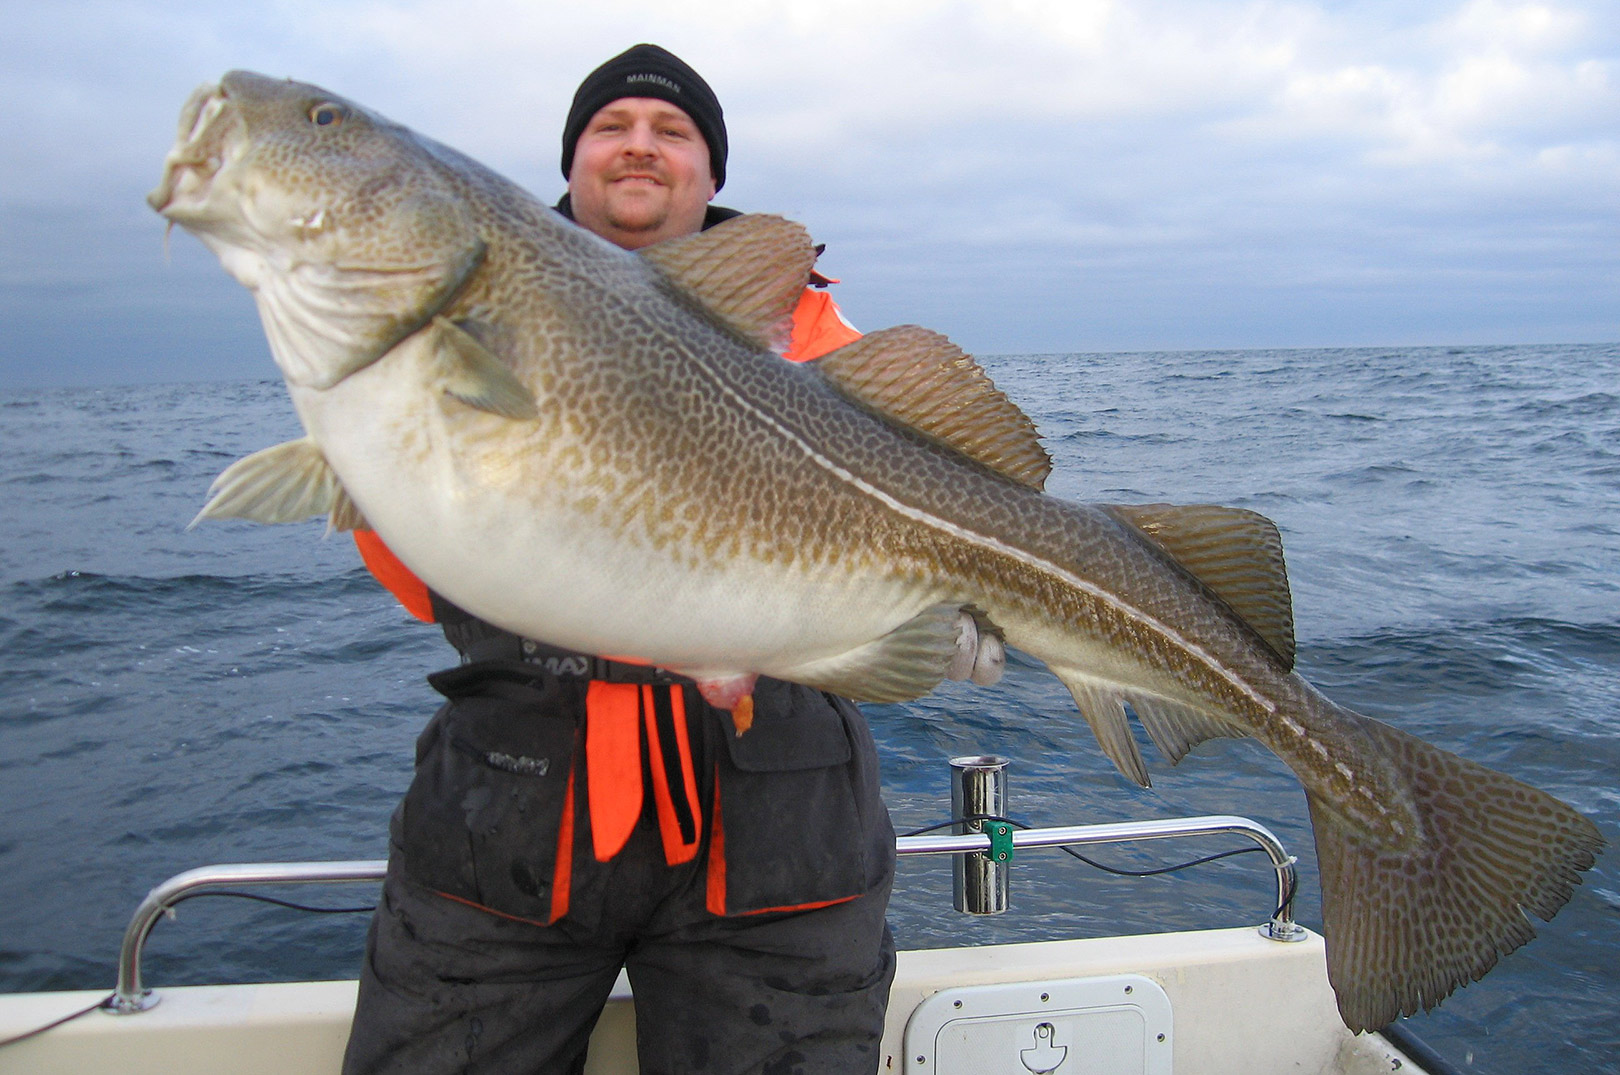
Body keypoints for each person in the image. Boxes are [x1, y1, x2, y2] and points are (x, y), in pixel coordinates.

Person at [341, 45, 897, 1075]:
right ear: (572, 164)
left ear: (712, 174)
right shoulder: (462, 298)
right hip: (512, 808)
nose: (640, 143)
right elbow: (420, 580)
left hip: (779, 821)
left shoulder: (817, 333)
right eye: (612, 126)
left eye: (673, 130)